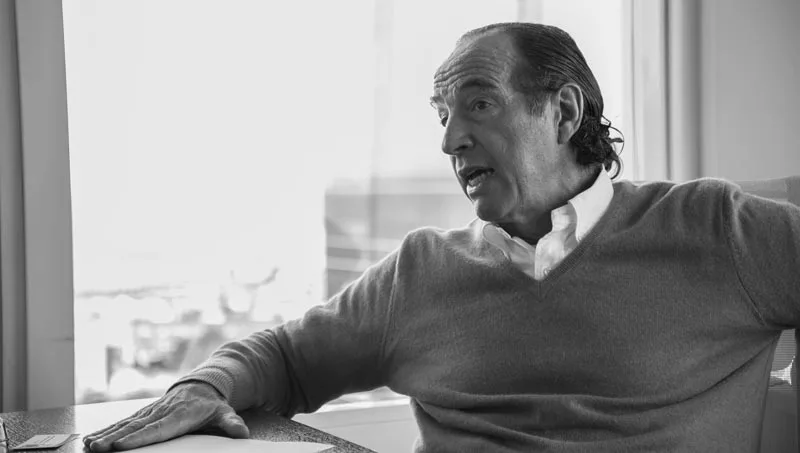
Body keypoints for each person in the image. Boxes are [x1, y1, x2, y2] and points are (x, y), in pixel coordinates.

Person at [84, 22, 800, 452]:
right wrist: (203, 384)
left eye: (479, 104)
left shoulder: (716, 230)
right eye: (443, 116)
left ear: (562, 112)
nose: (452, 138)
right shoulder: (420, 271)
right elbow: (286, 358)